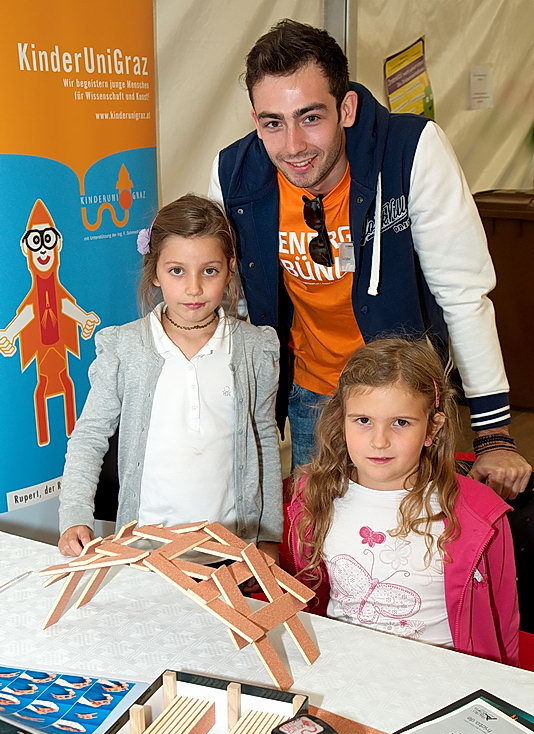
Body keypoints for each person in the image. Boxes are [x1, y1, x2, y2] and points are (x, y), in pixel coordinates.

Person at [209, 18, 531, 498]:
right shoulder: (233, 173)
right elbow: (231, 304)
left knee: (413, 531)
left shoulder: (411, 151)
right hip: (312, 396)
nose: (293, 146)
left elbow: (463, 295)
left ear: (346, 108)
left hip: (404, 401)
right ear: (255, 119)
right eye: (273, 122)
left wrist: (494, 435)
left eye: (311, 117)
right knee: (320, 532)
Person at [57, 194, 282, 565]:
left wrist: (269, 534)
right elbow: (90, 436)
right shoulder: (124, 347)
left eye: (209, 271)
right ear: (155, 272)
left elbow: (265, 440)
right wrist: (75, 515)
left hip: (230, 550)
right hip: (145, 551)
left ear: (229, 269)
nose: (194, 288)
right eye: (177, 271)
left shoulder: (254, 348)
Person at [288, 338, 519, 666]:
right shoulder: (314, 493)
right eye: (363, 420)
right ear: (341, 421)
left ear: (432, 428)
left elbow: (503, 619)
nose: (379, 440)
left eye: (400, 423)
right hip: (341, 667)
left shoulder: (480, 513)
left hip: (439, 676)